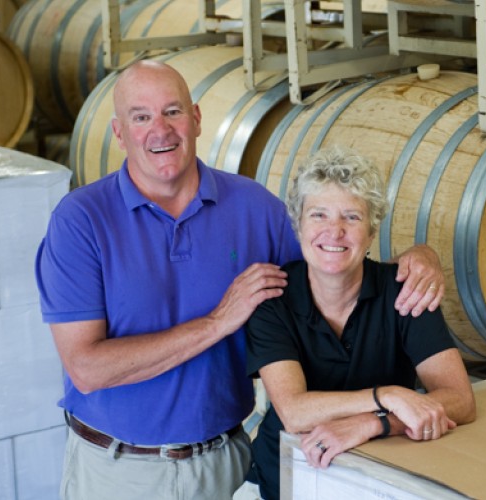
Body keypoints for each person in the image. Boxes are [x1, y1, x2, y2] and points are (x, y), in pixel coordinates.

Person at [34, 60, 446, 500]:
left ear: (195, 119)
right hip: (117, 471)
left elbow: (331, 258)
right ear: (119, 133)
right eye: (141, 117)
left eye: (172, 112)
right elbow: (87, 369)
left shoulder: (254, 208)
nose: (160, 130)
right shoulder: (80, 221)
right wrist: (217, 322)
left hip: (226, 462)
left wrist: (419, 257)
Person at [244, 146, 476, 500]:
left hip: (382, 476)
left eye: (351, 217)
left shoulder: (405, 292)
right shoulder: (273, 300)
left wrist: (376, 422)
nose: (334, 231)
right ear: (299, 226)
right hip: (292, 476)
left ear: (371, 233)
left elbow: (460, 399)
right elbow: (294, 412)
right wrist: (389, 396)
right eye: (318, 215)